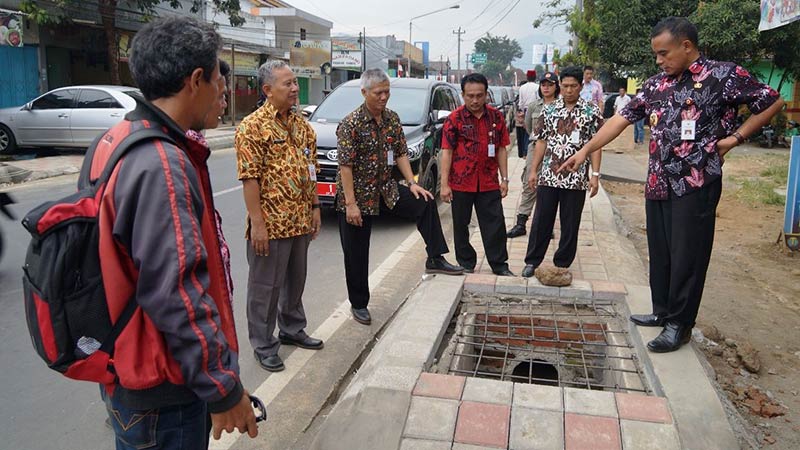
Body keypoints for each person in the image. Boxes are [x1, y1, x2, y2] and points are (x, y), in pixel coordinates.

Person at [84, 16, 258, 449]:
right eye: (220, 78)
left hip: (126, 368)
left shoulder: (115, 139)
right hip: (165, 387)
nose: (224, 91)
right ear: (196, 80)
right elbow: (177, 292)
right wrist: (222, 388)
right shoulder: (162, 162)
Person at [559, 17, 783, 353]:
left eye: (664, 54)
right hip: (658, 181)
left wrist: (735, 138)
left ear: (687, 46)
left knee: (687, 256)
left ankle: (680, 324)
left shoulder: (723, 76)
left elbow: (772, 100)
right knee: (662, 252)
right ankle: (662, 311)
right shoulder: (655, 85)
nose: (659, 61)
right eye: (656, 56)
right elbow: (620, 120)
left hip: (696, 182)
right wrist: (586, 150)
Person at [336, 68, 463, 326]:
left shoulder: (392, 119)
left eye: (387, 92)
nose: (384, 97)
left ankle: (435, 257)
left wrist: (411, 182)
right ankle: (359, 304)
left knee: (424, 202)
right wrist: (350, 204)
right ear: (364, 93)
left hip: (386, 190)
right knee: (356, 252)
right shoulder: (350, 124)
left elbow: (401, 152)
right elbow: (345, 166)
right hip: (357, 196)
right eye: (378, 93)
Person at [235, 60, 324, 373]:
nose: (294, 88)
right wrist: (257, 224)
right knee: (265, 288)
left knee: (295, 281)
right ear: (267, 90)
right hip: (270, 224)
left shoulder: (303, 126)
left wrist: (315, 208)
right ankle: (263, 343)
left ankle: (292, 328)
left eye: (295, 83)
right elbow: (250, 179)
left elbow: (310, 170)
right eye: (287, 83)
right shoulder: (252, 128)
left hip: (299, 219)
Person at [521, 67, 603, 278]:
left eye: (573, 86)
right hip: (549, 174)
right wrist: (533, 170)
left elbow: (596, 144)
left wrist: (595, 175)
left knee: (570, 222)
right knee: (541, 220)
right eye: (565, 86)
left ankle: (562, 262)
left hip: (576, 178)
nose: (568, 90)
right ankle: (532, 261)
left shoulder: (591, 111)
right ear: (560, 85)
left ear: (580, 86)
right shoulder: (549, 110)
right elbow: (541, 141)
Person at [440, 72, 514, 276]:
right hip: (461, 181)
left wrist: (505, 179)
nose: (475, 100)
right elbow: (446, 151)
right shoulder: (454, 119)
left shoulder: (496, 117)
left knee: (495, 224)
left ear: (486, 94)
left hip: (489, 181)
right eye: (470, 95)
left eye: (479, 95)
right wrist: (444, 184)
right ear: (463, 95)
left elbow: (501, 148)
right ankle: (466, 262)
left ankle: (499, 264)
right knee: (460, 224)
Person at [507, 71, 560, 238]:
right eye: (543, 84)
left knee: (550, 187)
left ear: (556, 87)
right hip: (535, 147)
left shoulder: (561, 106)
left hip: (555, 151)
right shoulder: (533, 106)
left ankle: (546, 226)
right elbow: (529, 128)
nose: (546, 88)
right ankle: (521, 223)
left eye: (550, 85)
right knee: (529, 182)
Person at [515, 70, 540, 158]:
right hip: (535, 110)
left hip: (525, 110)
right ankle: (527, 151)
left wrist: (522, 112)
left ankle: (525, 152)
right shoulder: (537, 87)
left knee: (526, 130)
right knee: (531, 131)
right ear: (535, 77)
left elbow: (520, 102)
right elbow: (539, 99)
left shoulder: (522, 87)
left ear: (527, 77)